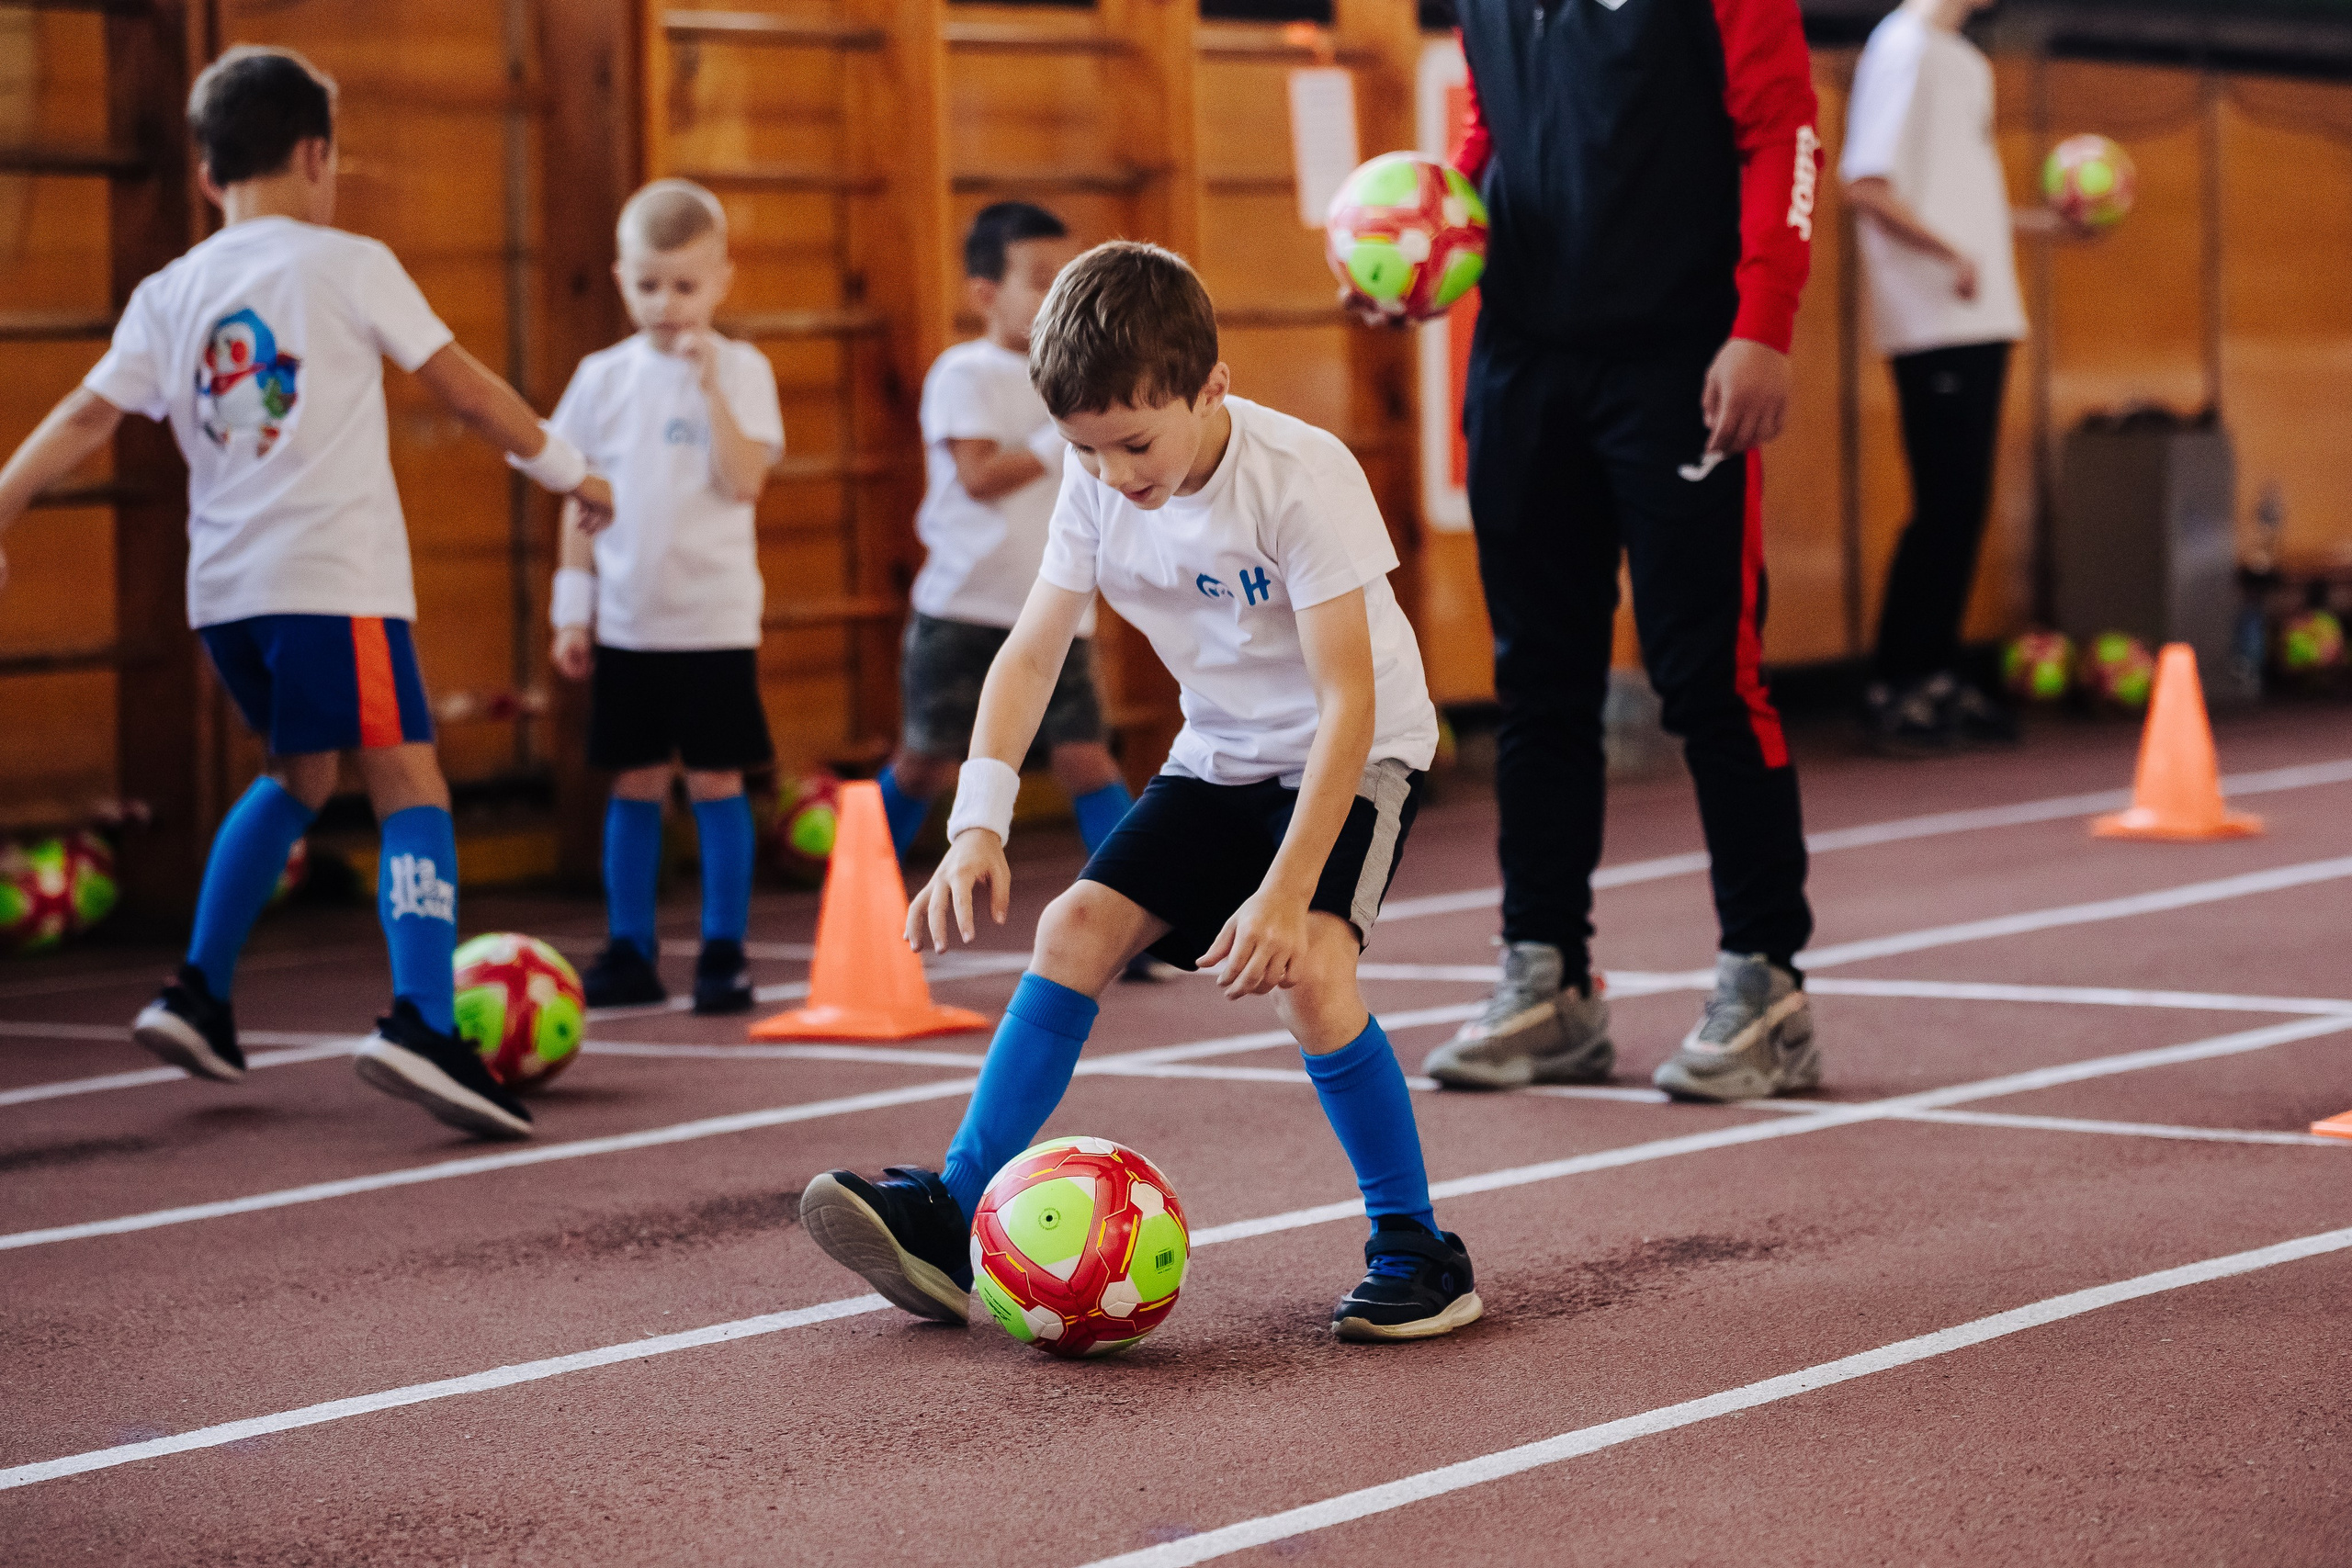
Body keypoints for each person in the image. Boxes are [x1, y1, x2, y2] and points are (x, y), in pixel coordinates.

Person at [800, 242, 1481, 1342]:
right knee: (1072, 927)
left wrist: (1282, 890)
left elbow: (1346, 704)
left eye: (1134, 443)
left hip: (1350, 754)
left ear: (1211, 389)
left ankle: (1414, 1245)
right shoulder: (1094, 478)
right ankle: (950, 1207)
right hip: (1216, 753)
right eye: (1085, 447)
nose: (1115, 474)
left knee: (1309, 970)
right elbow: (1028, 652)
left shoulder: (1300, 476)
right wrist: (977, 822)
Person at [0, 46, 612, 1138]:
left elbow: (85, 416)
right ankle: (424, 1021)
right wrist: (571, 470)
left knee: (301, 773)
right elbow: (464, 389)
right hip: (334, 579)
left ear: (205, 175)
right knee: (412, 785)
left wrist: (1, 504)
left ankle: (198, 989)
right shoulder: (346, 262)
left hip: (226, 595)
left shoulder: (167, 291)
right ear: (317, 155)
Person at [1410, 0, 1825, 1103]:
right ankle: (1545, 979)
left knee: (1708, 679)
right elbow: (1490, 129)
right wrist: (1427, 240)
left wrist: (1763, 322)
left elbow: (1782, 133)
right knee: (1537, 685)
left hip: (1681, 361)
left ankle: (1766, 983)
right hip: (1520, 361)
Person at [547, 178, 785, 1014]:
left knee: (717, 781)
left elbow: (746, 478)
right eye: (649, 285)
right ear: (622, 278)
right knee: (635, 783)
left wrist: (711, 383)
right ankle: (629, 947)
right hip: (630, 626)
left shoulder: (746, 370)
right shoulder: (601, 379)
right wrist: (572, 609)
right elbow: (581, 501)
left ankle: (723, 949)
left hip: (713, 622)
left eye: (685, 286)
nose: (667, 304)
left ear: (721, 279)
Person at [872, 206, 1141, 903]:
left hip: (1053, 610)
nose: (1059, 295)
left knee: (1087, 758)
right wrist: (1067, 436)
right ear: (985, 293)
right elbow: (979, 475)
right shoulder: (965, 373)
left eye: (1070, 278)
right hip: (961, 607)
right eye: (1042, 278)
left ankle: (1131, 910)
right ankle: (861, 894)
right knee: (926, 763)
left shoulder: (1085, 376)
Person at [1842, 0, 2055, 751]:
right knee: (1944, 501)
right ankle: (1897, 679)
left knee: (1965, 505)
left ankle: (1935, 671)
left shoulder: (1964, 59)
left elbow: (1971, 211)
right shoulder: (1902, 48)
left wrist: (2052, 226)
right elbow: (1866, 183)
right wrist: (1948, 257)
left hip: (1982, 316)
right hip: (1934, 319)